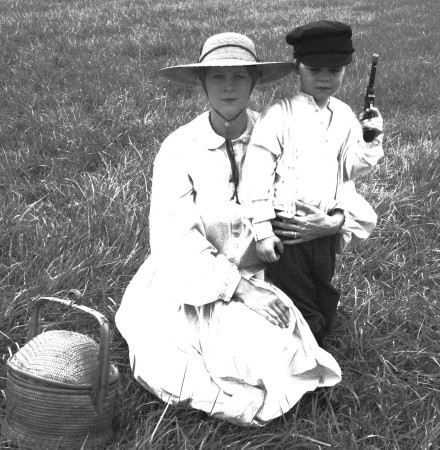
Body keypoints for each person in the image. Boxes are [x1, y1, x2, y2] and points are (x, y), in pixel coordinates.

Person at [115, 32, 341, 427]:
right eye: (217, 77)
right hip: (191, 278)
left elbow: (328, 194)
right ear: (202, 84)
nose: (229, 87)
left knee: (271, 353)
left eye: (239, 76)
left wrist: (331, 222)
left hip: (269, 272)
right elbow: (174, 236)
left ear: (255, 82)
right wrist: (238, 287)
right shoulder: (179, 148)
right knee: (181, 364)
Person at [241, 21, 384, 347]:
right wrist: (263, 231)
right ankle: (308, 344)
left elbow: (351, 168)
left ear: (346, 70)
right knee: (295, 292)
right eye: (314, 68)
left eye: (334, 70)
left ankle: (319, 330)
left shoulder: (345, 115)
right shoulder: (278, 115)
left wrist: (370, 140)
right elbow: (257, 175)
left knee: (322, 285)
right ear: (297, 67)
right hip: (286, 228)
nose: (324, 78)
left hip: (323, 227)